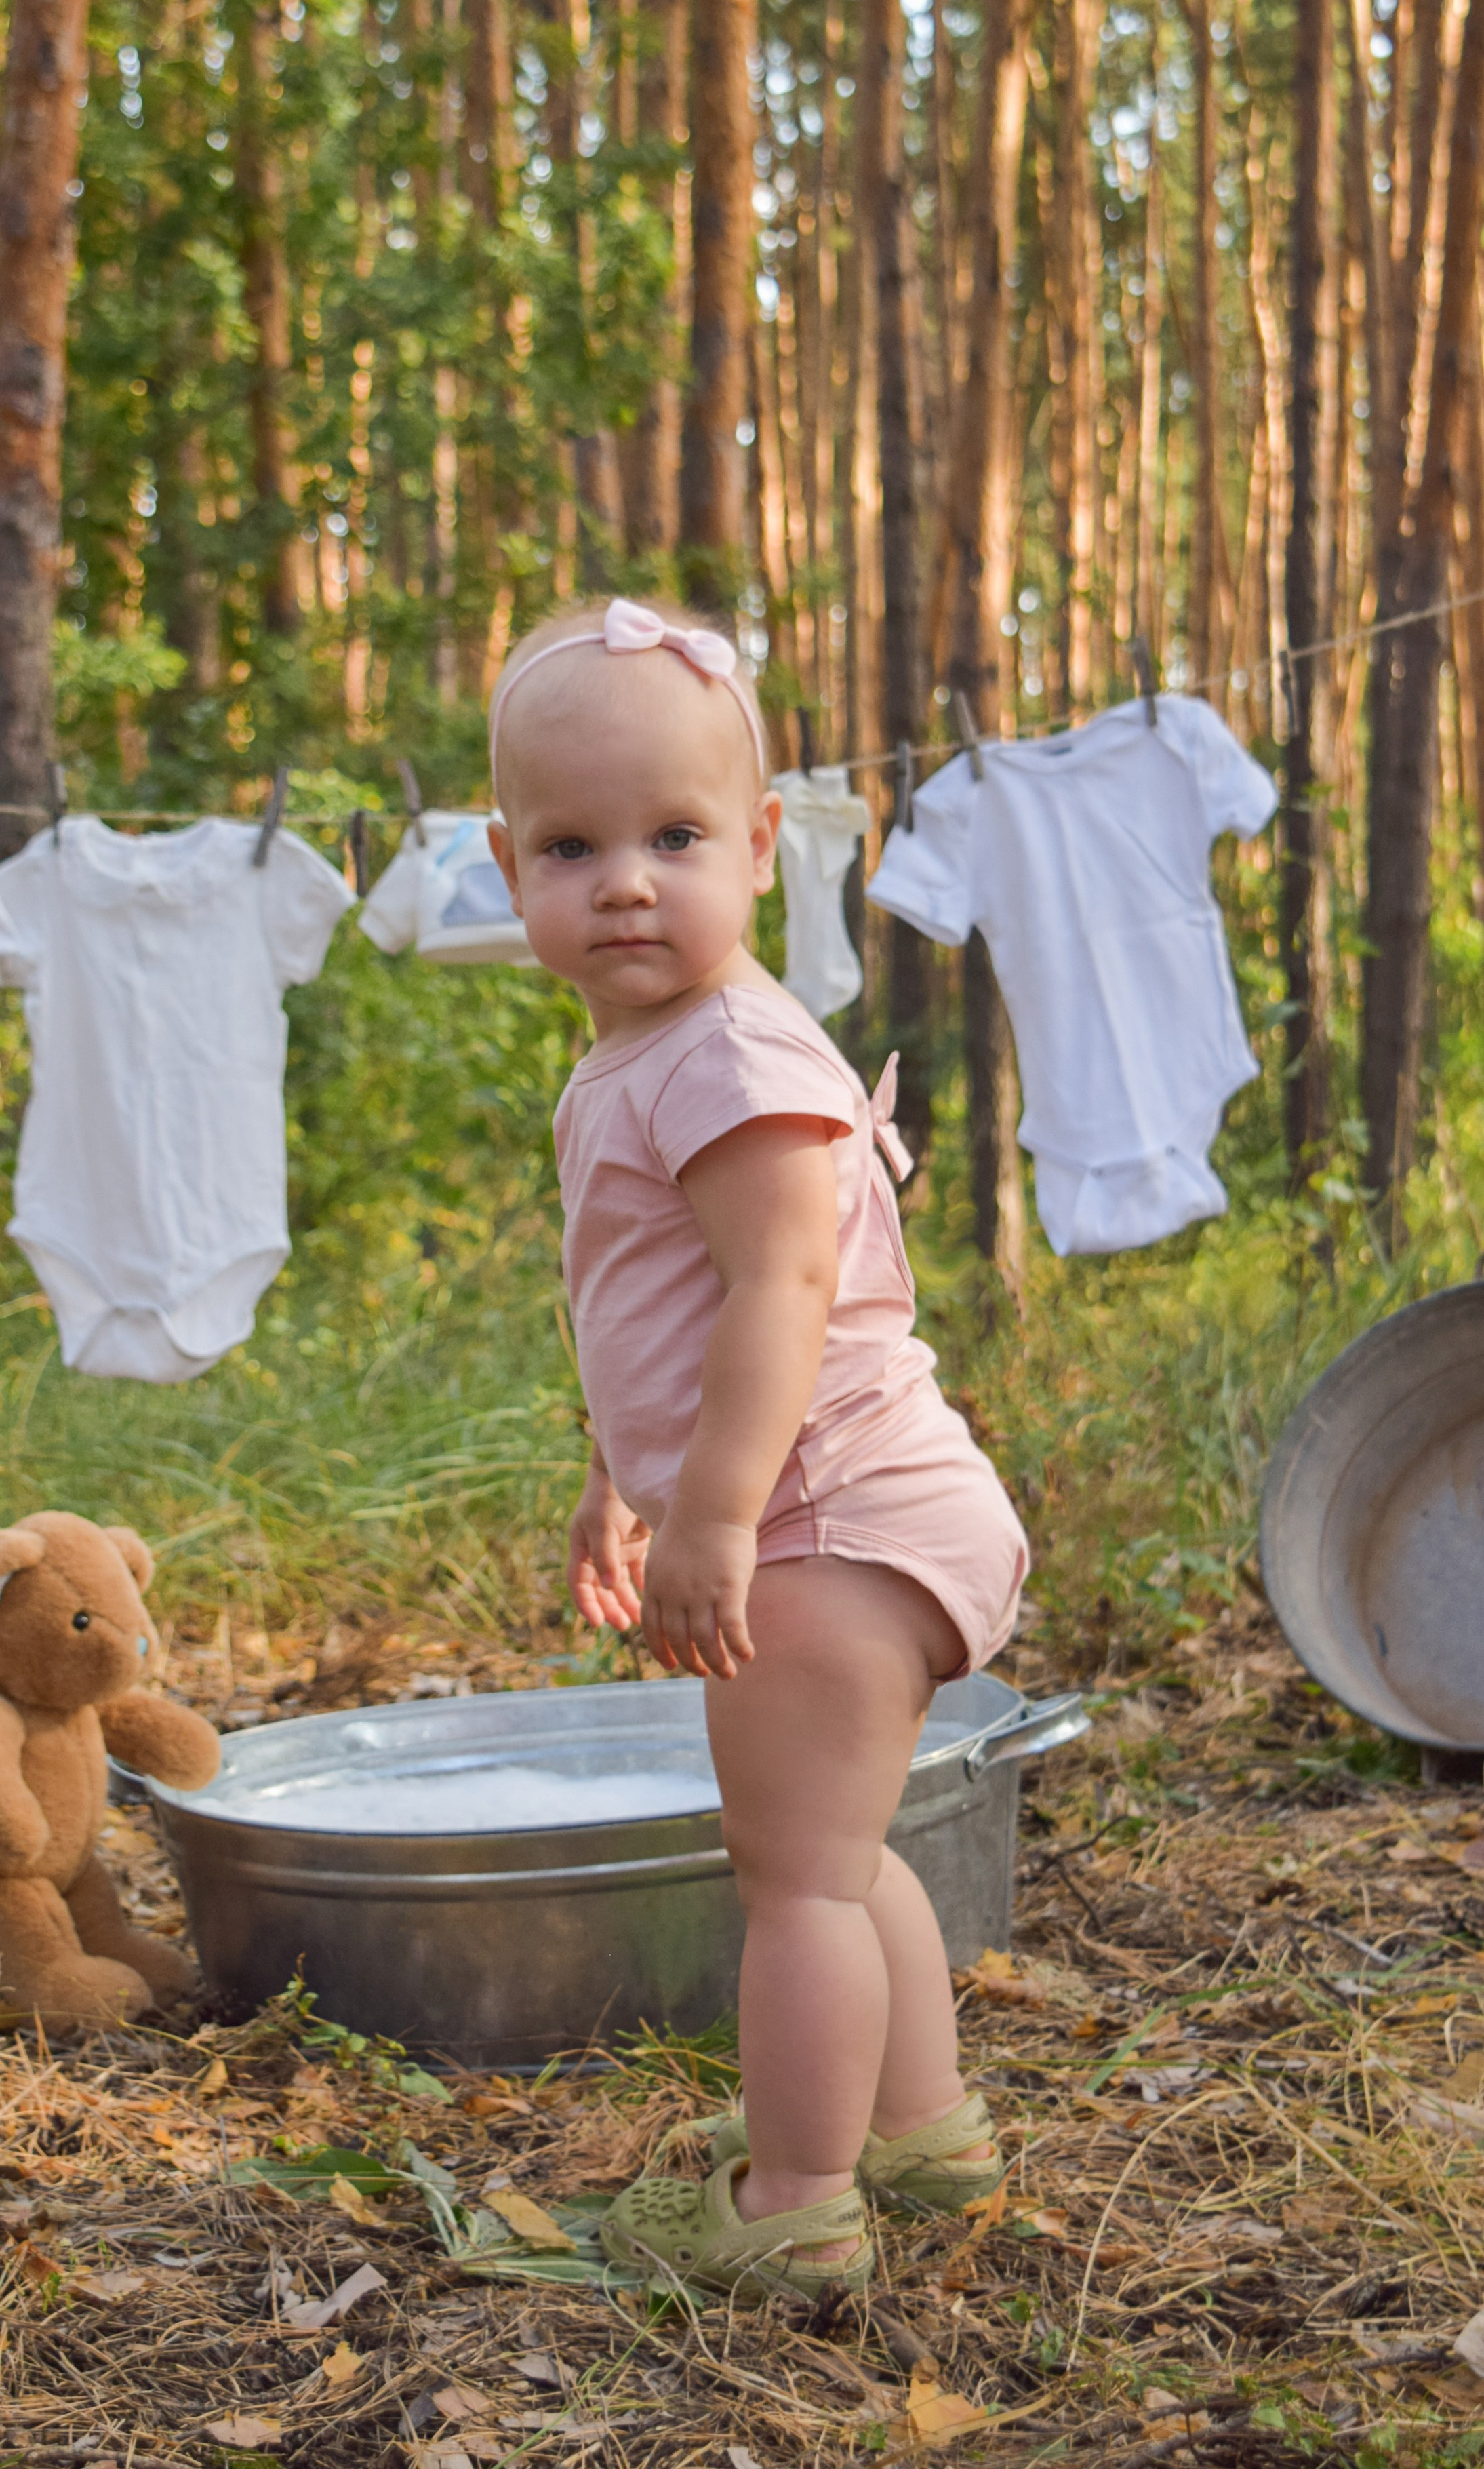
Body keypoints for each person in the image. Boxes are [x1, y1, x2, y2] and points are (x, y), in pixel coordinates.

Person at [487, 598, 1030, 2303]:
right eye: (571, 848)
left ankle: (794, 2202)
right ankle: (921, 2134)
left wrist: (713, 1514)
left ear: (760, 845)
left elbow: (784, 1290)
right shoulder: (641, 1055)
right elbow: (664, 1310)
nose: (624, 885)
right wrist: (620, 1477)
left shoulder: (727, 1055)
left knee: (790, 1884)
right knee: (840, 1854)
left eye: (674, 838)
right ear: (506, 867)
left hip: (822, 1511)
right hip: (849, 1504)